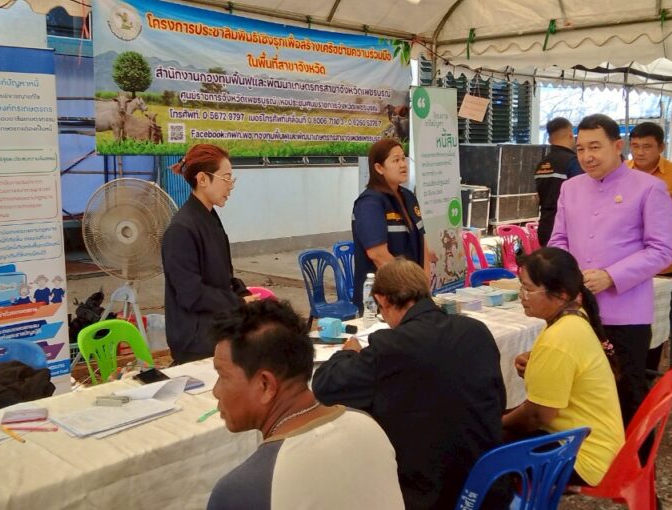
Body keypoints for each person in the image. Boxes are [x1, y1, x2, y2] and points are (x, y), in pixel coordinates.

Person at [312, 258, 507, 510]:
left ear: (382, 300)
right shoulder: (476, 331)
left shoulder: (390, 347)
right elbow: (498, 401)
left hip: (429, 495)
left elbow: (325, 386)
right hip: (487, 483)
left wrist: (348, 353)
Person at [207, 299, 403, 510]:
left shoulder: (242, 491)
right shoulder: (368, 426)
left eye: (222, 376)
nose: (216, 391)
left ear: (265, 385)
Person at [549, 113, 672, 425]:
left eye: (595, 147)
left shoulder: (649, 188)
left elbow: (662, 249)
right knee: (577, 396)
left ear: (618, 146)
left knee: (626, 397)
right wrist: (568, 275)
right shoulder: (571, 188)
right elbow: (558, 239)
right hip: (576, 311)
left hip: (625, 314)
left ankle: (635, 457)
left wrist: (612, 276)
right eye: (580, 149)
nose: (587, 157)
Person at [503, 247, 625, 487]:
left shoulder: (560, 337)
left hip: (583, 456)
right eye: (521, 287)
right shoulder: (572, 317)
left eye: (528, 289)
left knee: (484, 447)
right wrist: (538, 365)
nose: (522, 296)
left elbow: (537, 416)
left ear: (560, 294)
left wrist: (501, 421)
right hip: (595, 443)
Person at [162, 144, 254, 364]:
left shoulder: (209, 217)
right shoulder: (181, 230)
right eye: (226, 178)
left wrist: (245, 295)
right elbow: (191, 294)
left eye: (232, 178)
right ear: (202, 179)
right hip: (195, 341)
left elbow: (224, 276)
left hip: (217, 327)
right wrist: (238, 303)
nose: (231, 185)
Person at [351, 138, 435, 311]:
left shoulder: (409, 197)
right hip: (385, 299)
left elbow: (422, 243)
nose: (403, 165)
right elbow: (378, 254)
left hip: (413, 296)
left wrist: (424, 287)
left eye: (403, 158)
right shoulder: (370, 203)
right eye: (395, 160)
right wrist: (409, 287)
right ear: (379, 168)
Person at [627, 121, 672, 274]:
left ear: (661, 147)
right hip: (624, 257)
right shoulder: (620, 171)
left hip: (661, 260)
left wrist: (656, 235)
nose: (640, 152)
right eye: (635, 146)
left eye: (647, 147)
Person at [534, 117, 577, 245]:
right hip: (566, 229)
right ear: (571, 135)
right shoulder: (573, 162)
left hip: (545, 226)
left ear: (549, 140)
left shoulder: (541, 164)